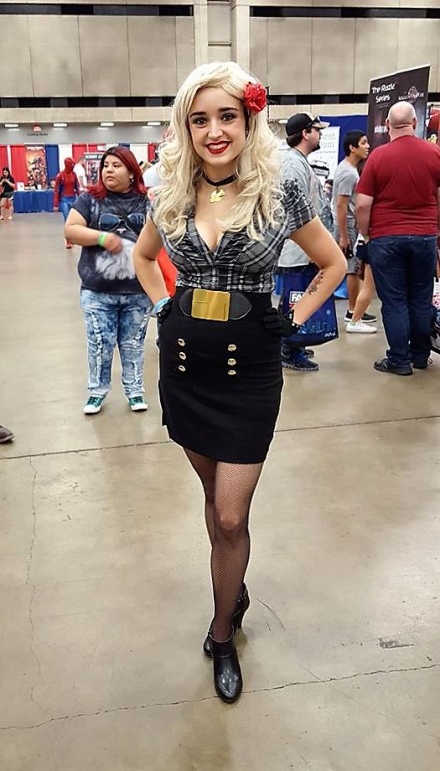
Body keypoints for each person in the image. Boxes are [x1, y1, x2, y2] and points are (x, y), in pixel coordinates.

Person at [133, 61, 346, 704]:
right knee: (213, 499)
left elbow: (333, 263)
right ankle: (234, 583)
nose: (214, 131)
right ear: (186, 128)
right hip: (185, 367)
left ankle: (222, 631)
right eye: (200, 119)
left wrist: (295, 318)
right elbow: (144, 257)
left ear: (250, 120)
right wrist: (162, 305)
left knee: (230, 513)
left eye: (227, 116)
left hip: (249, 370)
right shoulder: (170, 191)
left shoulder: (279, 191)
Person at [64, 146, 152, 413]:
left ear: (131, 172)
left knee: (133, 344)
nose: (108, 171)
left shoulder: (147, 201)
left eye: (116, 165)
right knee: (100, 344)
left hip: (138, 291)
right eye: (105, 166)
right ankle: (96, 392)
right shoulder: (90, 199)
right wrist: (101, 237)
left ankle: (135, 390)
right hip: (97, 291)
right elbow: (71, 230)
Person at [356, 101, 440, 374]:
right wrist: (435, 229)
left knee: (394, 301)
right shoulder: (434, 153)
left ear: (387, 125)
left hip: (386, 237)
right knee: (420, 298)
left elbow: (363, 204)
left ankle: (399, 360)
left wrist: (366, 234)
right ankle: (420, 356)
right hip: (425, 236)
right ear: (415, 123)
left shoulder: (378, 157)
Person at [277, 112, 333, 371]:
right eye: (316, 130)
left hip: (304, 248)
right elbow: (294, 211)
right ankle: (289, 347)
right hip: (300, 249)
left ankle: (293, 342)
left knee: (296, 296)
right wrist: (311, 247)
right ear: (305, 133)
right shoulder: (292, 165)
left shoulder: (299, 162)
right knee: (296, 298)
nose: (320, 135)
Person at [332, 131, 377, 333]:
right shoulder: (348, 173)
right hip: (347, 226)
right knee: (351, 268)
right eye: (363, 143)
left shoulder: (351, 170)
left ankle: (355, 308)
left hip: (351, 225)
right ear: (352, 147)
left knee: (355, 267)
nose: (367, 147)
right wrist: (344, 235)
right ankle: (352, 311)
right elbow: (341, 205)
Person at [54, 158, 80, 248]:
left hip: (73, 198)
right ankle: (68, 241)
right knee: (67, 220)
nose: (72, 167)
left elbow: (77, 187)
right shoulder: (60, 176)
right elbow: (56, 190)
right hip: (64, 199)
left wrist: (81, 199)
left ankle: (72, 239)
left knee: (73, 221)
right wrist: (56, 204)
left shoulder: (74, 174)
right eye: (71, 165)